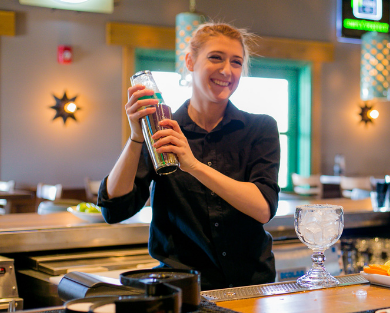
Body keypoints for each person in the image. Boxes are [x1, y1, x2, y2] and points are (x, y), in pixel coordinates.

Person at [98, 22, 281, 290]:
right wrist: (137, 137)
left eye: (236, 62)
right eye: (215, 57)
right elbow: (115, 209)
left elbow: (263, 208)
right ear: (190, 61)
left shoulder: (260, 128)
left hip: (250, 284)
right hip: (181, 286)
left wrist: (193, 165)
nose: (226, 70)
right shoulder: (163, 129)